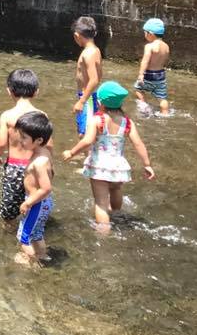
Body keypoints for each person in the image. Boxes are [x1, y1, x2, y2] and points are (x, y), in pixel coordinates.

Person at [62, 81, 155, 234]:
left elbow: (87, 140)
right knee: (116, 190)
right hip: (118, 166)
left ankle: (104, 233)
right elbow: (138, 143)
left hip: (99, 166)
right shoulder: (127, 122)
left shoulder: (97, 120)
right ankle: (117, 215)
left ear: (99, 102)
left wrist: (72, 153)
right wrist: (147, 164)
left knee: (100, 204)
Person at [0, 68, 43, 223]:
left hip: (15, 168)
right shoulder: (41, 115)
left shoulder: (7, 116)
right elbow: (48, 146)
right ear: (36, 92)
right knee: (33, 202)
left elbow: (1, 143)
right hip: (35, 165)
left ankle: (8, 232)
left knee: (9, 210)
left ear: (10, 91)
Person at [14, 111, 54, 264]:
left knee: (24, 237)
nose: (20, 140)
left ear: (38, 140)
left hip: (36, 203)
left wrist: (28, 202)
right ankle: (43, 256)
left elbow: (46, 188)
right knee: (36, 234)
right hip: (43, 202)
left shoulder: (39, 162)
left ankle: (30, 263)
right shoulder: (44, 152)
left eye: (24, 137)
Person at [72, 16, 102, 136]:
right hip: (89, 95)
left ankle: (86, 154)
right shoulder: (95, 50)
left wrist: (82, 101)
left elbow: (94, 79)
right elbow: (99, 75)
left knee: (85, 133)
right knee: (86, 130)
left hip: (87, 97)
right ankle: (87, 153)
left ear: (77, 36)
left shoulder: (88, 54)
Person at [135, 18, 170, 116]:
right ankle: (165, 114)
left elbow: (145, 61)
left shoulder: (149, 46)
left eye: (145, 32)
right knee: (162, 98)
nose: (144, 35)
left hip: (149, 74)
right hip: (161, 75)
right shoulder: (166, 46)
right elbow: (165, 60)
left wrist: (141, 74)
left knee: (138, 90)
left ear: (150, 34)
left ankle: (144, 110)